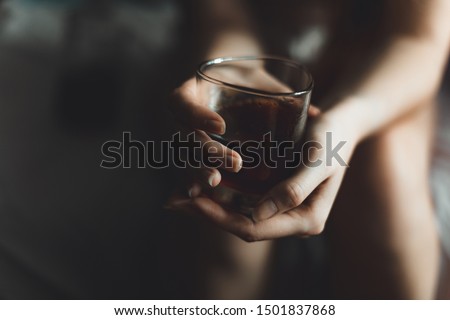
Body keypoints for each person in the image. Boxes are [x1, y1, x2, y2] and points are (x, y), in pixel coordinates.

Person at [165, 0, 450, 299]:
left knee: (386, 187)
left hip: (381, 65)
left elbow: (416, 37)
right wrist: (232, 75)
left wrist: (346, 121)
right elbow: (223, 14)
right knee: (228, 201)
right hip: (253, 45)